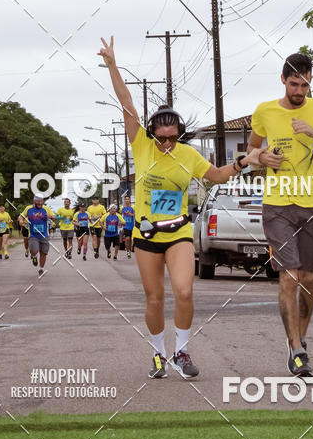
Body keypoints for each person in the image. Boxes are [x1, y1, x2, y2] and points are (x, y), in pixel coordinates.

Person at [99, 35, 257, 380]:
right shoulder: (141, 146)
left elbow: (215, 175)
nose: (168, 143)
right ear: (153, 135)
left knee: (184, 291)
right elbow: (127, 103)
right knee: (154, 298)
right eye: (162, 138)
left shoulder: (188, 154)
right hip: (145, 235)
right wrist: (112, 65)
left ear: (180, 135)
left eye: (174, 137)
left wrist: (243, 162)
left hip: (179, 232)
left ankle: (181, 351)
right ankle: (158, 353)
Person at [246, 52, 313, 378]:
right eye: (294, 83)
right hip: (277, 206)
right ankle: (296, 349)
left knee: (309, 279)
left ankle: (300, 337)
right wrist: (263, 159)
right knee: (289, 275)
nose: (299, 91)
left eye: (305, 84)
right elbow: (250, 154)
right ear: (283, 79)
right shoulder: (265, 111)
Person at [18, 196, 57, 277]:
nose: (40, 203)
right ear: (34, 201)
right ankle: (34, 256)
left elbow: (54, 216)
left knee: (43, 253)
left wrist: (51, 216)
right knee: (34, 250)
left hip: (44, 235)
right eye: (38, 201)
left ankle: (41, 268)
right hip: (33, 235)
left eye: (41, 201)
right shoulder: (28, 208)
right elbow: (21, 216)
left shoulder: (46, 209)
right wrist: (21, 221)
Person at [119, 194, 135, 258]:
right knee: (127, 238)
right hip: (125, 225)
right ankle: (128, 251)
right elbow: (120, 215)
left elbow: (136, 214)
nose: (127, 200)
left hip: (132, 225)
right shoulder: (122, 208)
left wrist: (132, 214)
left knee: (130, 239)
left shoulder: (133, 207)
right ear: (124, 200)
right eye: (126, 199)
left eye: (128, 199)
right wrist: (120, 222)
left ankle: (129, 249)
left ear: (130, 200)